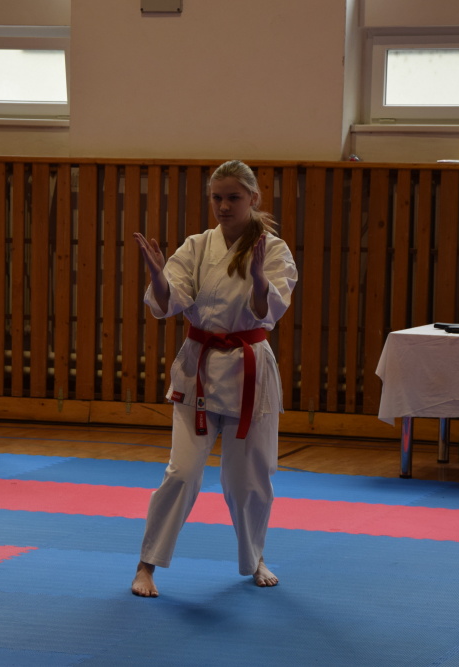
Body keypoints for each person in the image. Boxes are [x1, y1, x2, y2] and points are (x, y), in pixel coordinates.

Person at [130, 159, 298, 597]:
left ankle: (255, 557)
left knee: (249, 481)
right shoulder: (197, 246)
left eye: (233, 198)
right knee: (182, 473)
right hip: (199, 369)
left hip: (249, 372)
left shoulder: (273, 250)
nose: (223, 206)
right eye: (217, 198)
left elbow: (269, 310)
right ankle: (147, 564)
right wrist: (157, 276)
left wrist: (258, 279)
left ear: (253, 198)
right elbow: (168, 302)